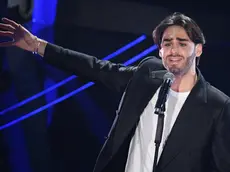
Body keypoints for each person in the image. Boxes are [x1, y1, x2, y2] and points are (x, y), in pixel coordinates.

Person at [0, 12, 230, 172]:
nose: (173, 50)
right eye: (167, 43)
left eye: (182, 43)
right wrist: (37, 46)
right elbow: (95, 68)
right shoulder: (147, 75)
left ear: (198, 49)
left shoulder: (217, 106)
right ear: (160, 51)